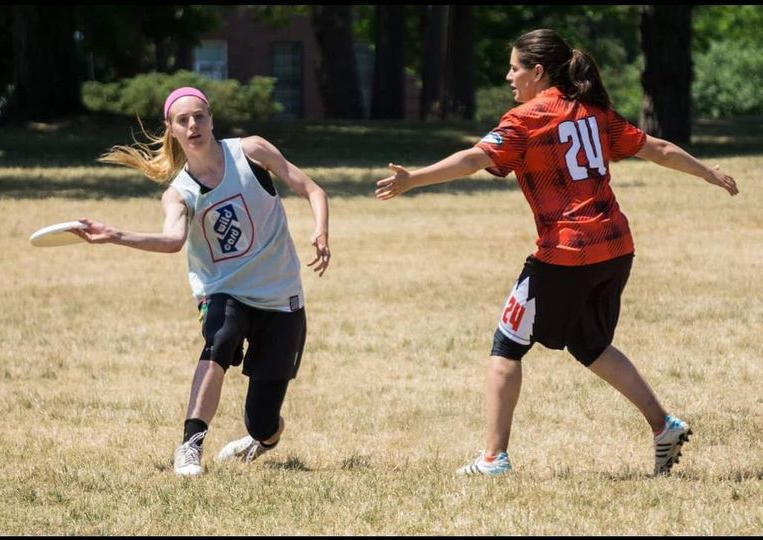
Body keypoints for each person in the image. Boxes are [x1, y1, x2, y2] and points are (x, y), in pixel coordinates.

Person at [375, 29, 738, 477]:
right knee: (589, 343)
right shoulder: (595, 111)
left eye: (514, 67)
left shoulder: (526, 119)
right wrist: (707, 173)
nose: (509, 76)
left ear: (538, 71)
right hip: (616, 247)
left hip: (567, 252)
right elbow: (658, 149)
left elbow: (474, 159)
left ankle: (493, 458)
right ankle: (663, 426)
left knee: (506, 345)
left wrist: (414, 179)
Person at [74, 87, 331, 476]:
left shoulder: (251, 151)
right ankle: (190, 445)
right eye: (183, 120)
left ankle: (262, 437)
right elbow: (173, 241)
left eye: (199, 116)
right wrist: (114, 235)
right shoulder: (180, 193)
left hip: (280, 295)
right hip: (223, 290)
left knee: (262, 423)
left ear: (211, 119)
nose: (193, 125)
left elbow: (311, 188)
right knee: (222, 337)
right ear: (171, 129)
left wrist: (321, 231)